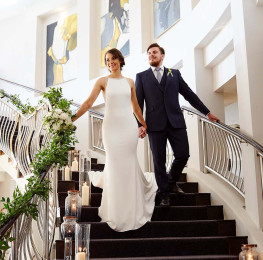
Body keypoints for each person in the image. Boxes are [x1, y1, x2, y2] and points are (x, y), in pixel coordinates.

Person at [73, 48, 157, 232]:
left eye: (113, 58)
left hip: (128, 127)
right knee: (114, 163)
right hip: (111, 128)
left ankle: (132, 206)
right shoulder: (102, 81)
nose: (110, 62)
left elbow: (135, 106)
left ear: (120, 60)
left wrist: (143, 125)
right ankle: (116, 208)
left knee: (128, 163)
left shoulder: (130, 82)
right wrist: (72, 118)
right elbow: (88, 103)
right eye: (107, 60)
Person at [135, 43, 219, 207]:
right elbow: (138, 104)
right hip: (154, 125)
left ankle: (171, 181)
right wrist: (140, 124)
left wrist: (207, 113)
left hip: (176, 122)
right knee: (158, 161)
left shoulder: (174, 74)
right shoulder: (141, 76)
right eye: (149, 53)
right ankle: (164, 194)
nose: (151, 55)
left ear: (162, 55)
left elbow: (189, 95)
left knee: (183, 154)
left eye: (154, 53)